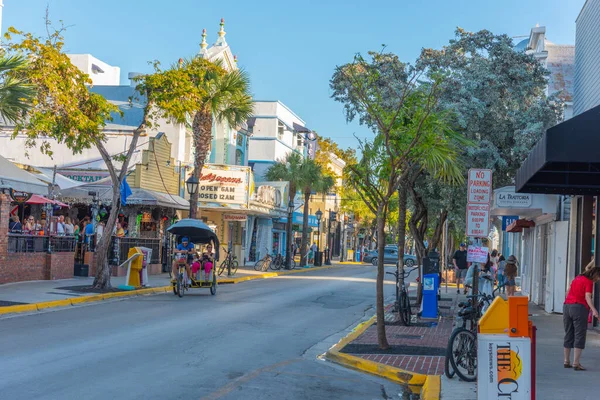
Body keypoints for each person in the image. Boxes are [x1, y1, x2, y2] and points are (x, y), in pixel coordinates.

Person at [563, 266, 600, 371]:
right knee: (579, 334)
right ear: (595, 275)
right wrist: (594, 310)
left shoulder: (578, 277)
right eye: (598, 278)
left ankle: (566, 361)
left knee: (568, 333)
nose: (597, 280)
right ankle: (576, 363)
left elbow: (568, 291)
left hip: (567, 306)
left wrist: (568, 301)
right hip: (579, 308)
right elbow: (588, 297)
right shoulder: (589, 282)